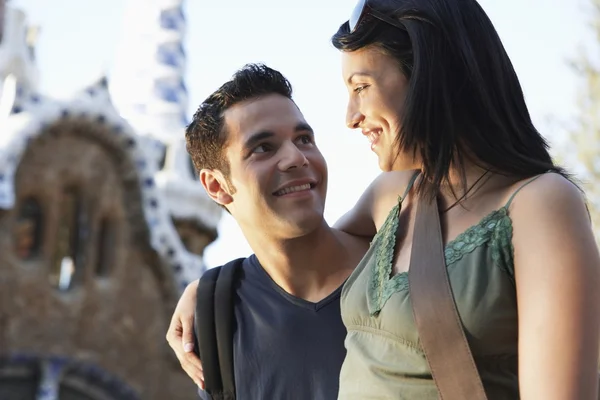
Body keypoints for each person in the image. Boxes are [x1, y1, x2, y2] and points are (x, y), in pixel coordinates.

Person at [169, 0, 600, 398]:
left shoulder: (540, 205)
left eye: (361, 87)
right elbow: (302, 252)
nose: (351, 118)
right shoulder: (394, 197)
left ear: (428, 76)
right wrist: (213, 290)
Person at [170, 63, 369, 399]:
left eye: (304, 139)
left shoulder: (399, 259)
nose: (296, 158)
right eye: (263, 148)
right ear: (217, 186)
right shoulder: (216, 319)